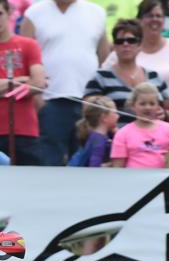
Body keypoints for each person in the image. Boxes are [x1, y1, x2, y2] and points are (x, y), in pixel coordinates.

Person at [21, 0, 110, 165]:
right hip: (49, 102)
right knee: (49, 164)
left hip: (88, 103)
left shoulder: (97, 13)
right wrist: (36, 100)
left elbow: (104, 59)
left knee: (87, 163)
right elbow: (22, 58)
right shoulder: (34, 13)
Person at [0, 0, 46, 165]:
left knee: (29, 183)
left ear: (9, 14)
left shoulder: (29, 45)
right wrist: (21, 80)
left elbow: (39, 82)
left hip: (25, 129)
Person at [100, 0, 169, 113]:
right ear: (139, 20)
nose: (154, 19)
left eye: (159, 16)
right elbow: (101, 80)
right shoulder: (124, 50)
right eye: (149, 16)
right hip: (130, 120)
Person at [86, 19, 169, 122]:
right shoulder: (100, 77)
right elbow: (90, 114)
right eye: (120, 41)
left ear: (139, 44)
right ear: (114, 46)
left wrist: (165, 114)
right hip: (115, 136)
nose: (125, 44)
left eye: (131, 40)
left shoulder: (155, 76)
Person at [110, 81, 169, 165]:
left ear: (158, 106)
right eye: (142, 104)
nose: (147, 107)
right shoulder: (122, 133)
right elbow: (118, 168)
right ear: (133, 105)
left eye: (152, 104)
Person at [70, 95, 117, 165]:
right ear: (104, 117)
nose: (118, 116)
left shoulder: (100, 136)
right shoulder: (98, 139)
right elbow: (94, 165)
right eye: (115, 113)